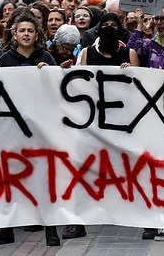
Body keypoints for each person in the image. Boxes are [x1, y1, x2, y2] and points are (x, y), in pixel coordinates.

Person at [62, 13, 138, 241]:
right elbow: (81, 86)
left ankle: (138, 217)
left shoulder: (129, 54)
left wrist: (130, 73)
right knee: (84, 169)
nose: (109, 29)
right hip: (93, 121)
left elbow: (138, 88)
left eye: (114, 26)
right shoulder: (87, 53)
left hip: (121, 122)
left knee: (126, 168)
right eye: (105, 26)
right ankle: (78, 222)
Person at [0, 11, 60, 247]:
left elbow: (58, 93)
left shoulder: (47, 58)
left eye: (30, 30)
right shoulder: (5, 59)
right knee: (9, 178)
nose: (26, 34)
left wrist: (50, 74)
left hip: (40, 130)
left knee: (44, 179)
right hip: (11, 130)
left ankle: (51, 229)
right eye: (22, 31)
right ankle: (7, 229)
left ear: (36, 35)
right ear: (14, 35)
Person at [127, 4, 164, 241]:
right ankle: (153, 219)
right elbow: (130, 51)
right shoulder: (148, 46)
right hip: (150, 114)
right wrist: (139, 25)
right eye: (156, 18)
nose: (159, 22)